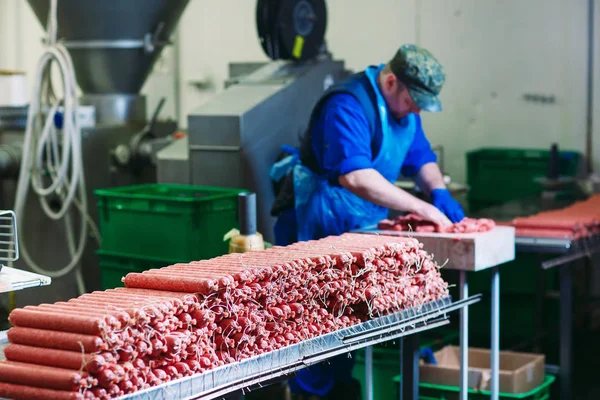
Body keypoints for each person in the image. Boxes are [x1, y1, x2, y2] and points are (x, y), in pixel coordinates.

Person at [269, 44, 465, 399]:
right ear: (391, 82)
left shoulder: (405, 110)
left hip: (362, 227)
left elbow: (420, 156)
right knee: (314, 322)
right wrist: (424, 210)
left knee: (350, 321)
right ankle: (310, 394)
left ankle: (342, 385)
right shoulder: (347, 104)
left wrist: (438, 191)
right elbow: (355, 177)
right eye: (413, 100)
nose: (417, 109)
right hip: (318, 222)